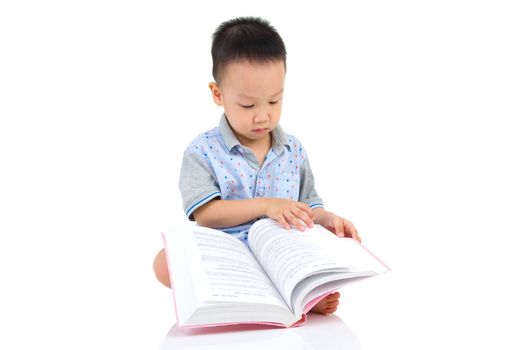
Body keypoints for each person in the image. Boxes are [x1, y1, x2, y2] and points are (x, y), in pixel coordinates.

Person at [153, 16, 361, 315]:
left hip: (281, 252)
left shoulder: (293, 149)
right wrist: (267, 206)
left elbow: (309, 206)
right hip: (229, 253)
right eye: (248, 105)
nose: (263, 116)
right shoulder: (202, 151)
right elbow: (206, 214)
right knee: (164, 262)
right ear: (218, 95)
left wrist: (326, 218)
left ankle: (299, 296)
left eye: (274, 101)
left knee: (313, 255)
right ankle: (236, 294)